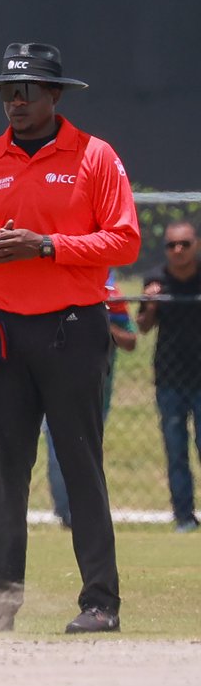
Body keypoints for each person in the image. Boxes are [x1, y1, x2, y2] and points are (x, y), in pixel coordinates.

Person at [0, 42, 140, 634]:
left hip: (73, 329)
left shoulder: (94, 156)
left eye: (27, 90)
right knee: (8, 471)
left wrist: (47, 245)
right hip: (4, 330)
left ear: (54, 95)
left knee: (80, 465)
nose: (15, 101)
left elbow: (125, 240)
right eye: (7, 92)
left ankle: (100, 603)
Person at [45, 272, 137, 528]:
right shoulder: (53, 289)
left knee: (87, 453)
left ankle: (85, 514)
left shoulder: (112, 297)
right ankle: (67, 516)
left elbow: (130, 341)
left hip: (95, 394)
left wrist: (100, 324)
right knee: (57, 454)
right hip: (54, 387)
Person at [137, 221, 201, 533]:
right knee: (176, 452)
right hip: (169, 380)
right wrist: (151, 303)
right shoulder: (155, 279)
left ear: (196, 245)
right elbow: (143, 327)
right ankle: (184, 516)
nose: (178, 250)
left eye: (184, 244)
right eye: (171, 245)